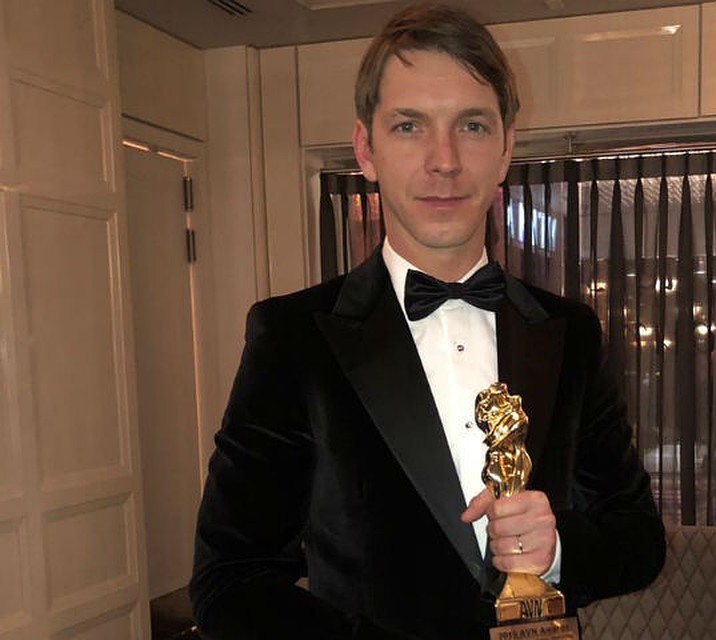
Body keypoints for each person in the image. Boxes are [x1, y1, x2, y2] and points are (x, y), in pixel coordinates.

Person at [189, 3, 665, 639]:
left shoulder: (570, 331)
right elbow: (230, 583)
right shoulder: (293, 337)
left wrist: (556, 551)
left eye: (472, 125)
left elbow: (639, 538)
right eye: (410, 125)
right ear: (367, 149)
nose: (445, 159)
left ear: (506, 149)